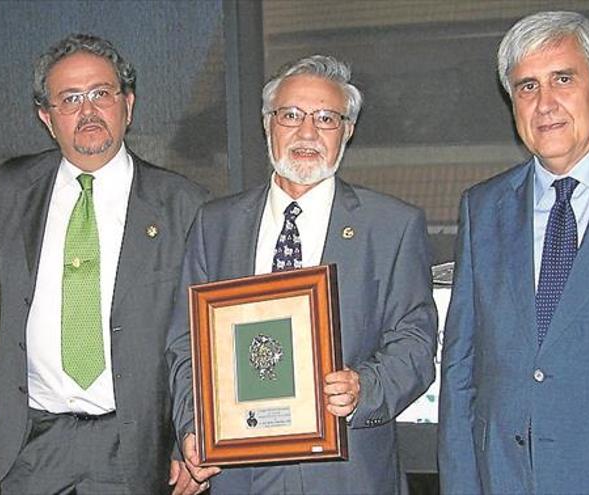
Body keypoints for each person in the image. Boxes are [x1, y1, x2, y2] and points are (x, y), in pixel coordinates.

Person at [166, 54, 438, 494]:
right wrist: (193, 427)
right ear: (267, 124)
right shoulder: (215, 225)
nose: (307, 132)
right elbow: (184, 346)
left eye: (326, 118)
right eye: (290, 115)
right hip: (241, 475)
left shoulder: (391, 226)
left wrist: (364, 388)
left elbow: (416, 342)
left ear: (347, 130)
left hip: (348, 476)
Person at [0, 34, 209, 495]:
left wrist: (192, 438)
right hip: (33, 445)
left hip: (135, 447)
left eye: (101, 94)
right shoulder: (12, 188)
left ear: (127, 103)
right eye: (70, 99)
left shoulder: (183, 204)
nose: (87, 112)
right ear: (46, 117)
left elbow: (201, 338)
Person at [439, 11, 589, 494]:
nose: (545, 103)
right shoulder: (482, 208)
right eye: (527, 87)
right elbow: (461, 371)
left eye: (563, 79)